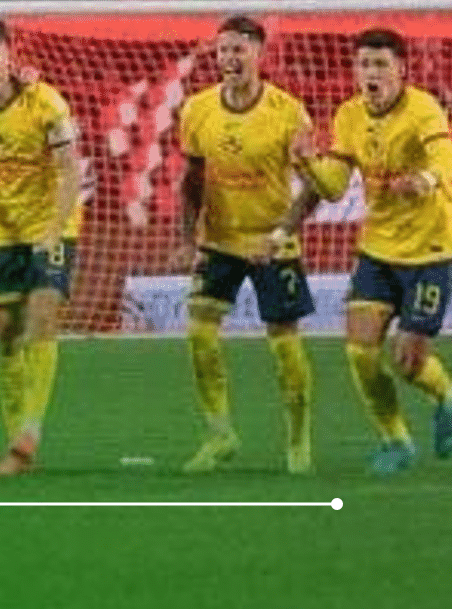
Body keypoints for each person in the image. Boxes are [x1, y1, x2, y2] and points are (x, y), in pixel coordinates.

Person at [283, 28, 452, 476]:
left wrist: (426, 181)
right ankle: (395, 440)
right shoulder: (348, 115)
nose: (370, 73)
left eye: (380, 64)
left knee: (408, 360)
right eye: (363, 64)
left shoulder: (423, 109)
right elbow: (335, 188)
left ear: (401, 69)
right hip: (378, 248)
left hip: (432, 247)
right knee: (360, 351)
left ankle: (449, 396)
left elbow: (447, 159)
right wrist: (305, 162)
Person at [176, 16, 315, 475]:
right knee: (199, 333)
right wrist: (186, 238)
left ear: (259, 53)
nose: (229, 59)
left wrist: (279, 236)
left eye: (239, 50)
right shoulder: (197, 110)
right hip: (219, 240)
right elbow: (191, 179)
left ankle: (298, 442)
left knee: (284, 345)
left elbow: (312, 187)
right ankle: (219, 435)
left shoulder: (289, 112)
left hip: (273, 242)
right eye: (222, 51)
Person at [0, 19, 81, 476]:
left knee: (42, 318)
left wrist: (54, 230)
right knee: (7, 335)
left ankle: (28, 435)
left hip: (51, 224)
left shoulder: (45, 101)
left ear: (9, 56)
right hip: (3, 229)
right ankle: (15, 443)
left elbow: (71, 172)